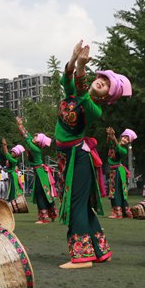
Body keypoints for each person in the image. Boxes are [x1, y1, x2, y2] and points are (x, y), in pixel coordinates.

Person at [54, 41, 131, 269]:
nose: (102, 82)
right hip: (68, 157)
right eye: (103, 78)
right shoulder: (73, 96)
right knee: (82, 206)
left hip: (79, 157)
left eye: (107, 84)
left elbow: (80, 91)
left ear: (107, 96)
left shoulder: (93, 108)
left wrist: (80, 68)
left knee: (76, 205)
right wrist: (73, 58)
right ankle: (99, 250)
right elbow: (66, 80)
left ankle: (82, 257)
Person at [16, 119, 59, 223]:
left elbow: (26, 138)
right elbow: (28, 136)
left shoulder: (35, 149)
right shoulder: (35, 146)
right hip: (40, 172)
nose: (34, 137)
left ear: (39, 142)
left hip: (40, 173)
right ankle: (52, 213)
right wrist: (21, 126)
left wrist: (20, 125)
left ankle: (43, 217)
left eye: (36, 137)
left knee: (40, 193)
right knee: (45, 193)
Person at [106, 127, 137, 219]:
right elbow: (109, 142)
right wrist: (109, 134)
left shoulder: (124, 150)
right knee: (115, 191)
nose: (125, 140)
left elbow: (117, 147)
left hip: (118, 171)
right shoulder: (113, 144)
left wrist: (114, 137)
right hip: (114, 171)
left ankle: (118, 213)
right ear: (121, 136)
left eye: (128, 139)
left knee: (115, 192)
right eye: (124, 137)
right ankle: (123, 211)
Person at [1, 138, 26, 203]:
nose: (12, 153)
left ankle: (12, 201)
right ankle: (12, 201)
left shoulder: (14, 160)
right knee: (12, 188)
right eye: (12, 151)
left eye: (14, 152)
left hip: (12, 175)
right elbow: (6, 153)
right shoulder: (11, 158)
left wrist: (5, 145)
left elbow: (6, 153)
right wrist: (4, 145)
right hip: (11, 174)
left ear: (16, 154)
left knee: (13, 188)